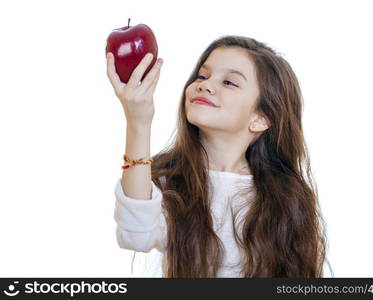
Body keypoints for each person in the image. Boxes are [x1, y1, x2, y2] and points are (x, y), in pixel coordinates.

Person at [106, 35, 332, 278]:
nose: (204, 85)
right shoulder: (171, 182)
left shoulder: (288, 198)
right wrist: (138, 121)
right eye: (202, 76)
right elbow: (135, 235)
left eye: (229, 83)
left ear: (261, 119)